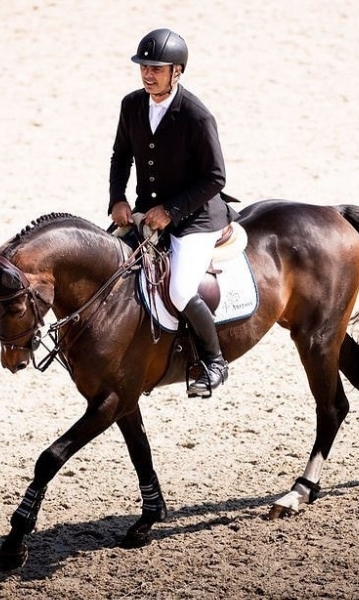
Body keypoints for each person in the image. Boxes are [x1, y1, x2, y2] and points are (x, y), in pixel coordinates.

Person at [108, 28, 232, 398]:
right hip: (147, 212)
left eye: (157, 68)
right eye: (144, 67)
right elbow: (121, 156)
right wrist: (117, 199)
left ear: (177, 71)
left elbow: (215, 177)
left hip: (196, 218)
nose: (148, 74)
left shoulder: (196, 116)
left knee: (179, 290)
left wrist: (172, 210)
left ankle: (214, 362)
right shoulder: (131, 104)